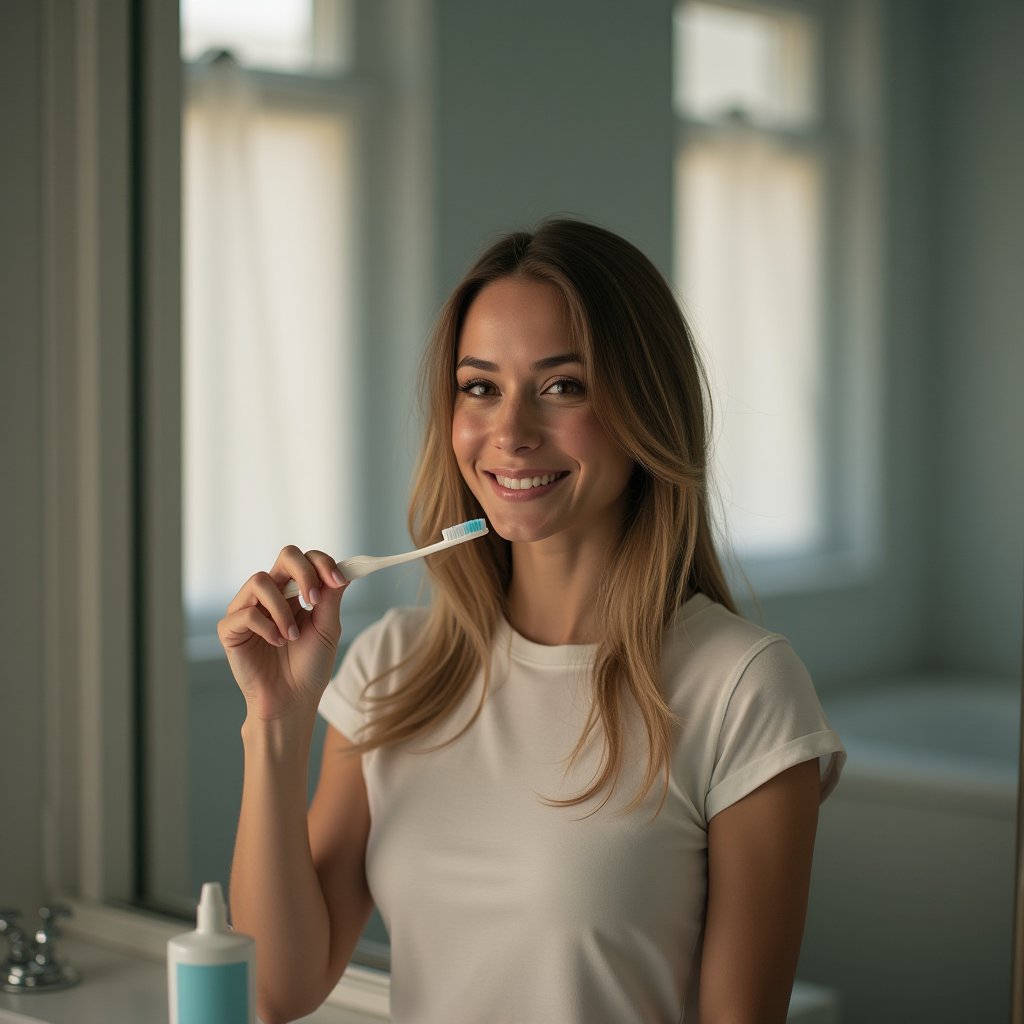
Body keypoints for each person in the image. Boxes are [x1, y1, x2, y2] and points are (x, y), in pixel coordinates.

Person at [219, 218, 845, 1024]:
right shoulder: (389, 668)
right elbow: (276, 989)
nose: (510, 434)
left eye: (563, 386)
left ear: (644, 408)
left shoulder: (741, 688)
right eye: (480, 387)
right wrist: (275, 723)